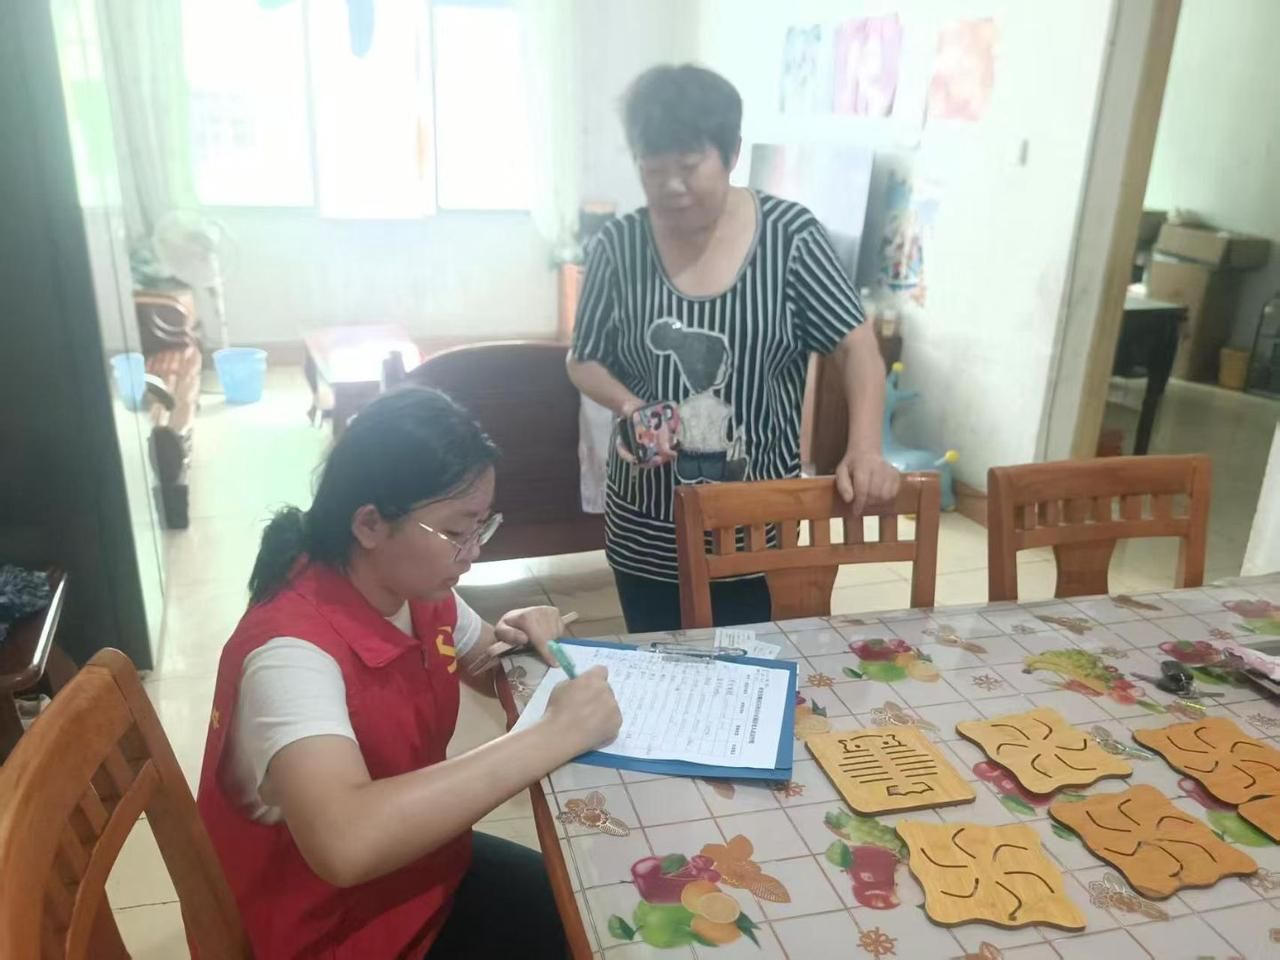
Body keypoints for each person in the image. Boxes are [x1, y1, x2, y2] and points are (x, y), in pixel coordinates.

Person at [195, 386, 621, 959]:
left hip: (422, 869)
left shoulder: (412, 587)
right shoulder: (290, 654)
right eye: (456, 533)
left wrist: (519, 637)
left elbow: (480, 661)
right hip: (335, 928)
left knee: (598, 914)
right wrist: (552, 736)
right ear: (370, 524)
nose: (473, 552)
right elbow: (345, 843)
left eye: (481, 527)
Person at [566, 64, 900, 633]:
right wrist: (630, 406)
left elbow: (856, 345)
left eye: (689, 166)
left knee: (749, 660)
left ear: (732, 152)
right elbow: (584, 358)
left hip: (755, 522)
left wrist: (865, 447)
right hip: (647, 523)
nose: (671, 186)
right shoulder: (618, 245)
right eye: (653, 168)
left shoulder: (790, 237)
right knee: (660, 660)